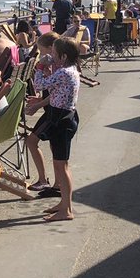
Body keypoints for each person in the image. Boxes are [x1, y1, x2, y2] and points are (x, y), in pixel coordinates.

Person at [26, 36, 81, 221]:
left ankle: (67, 210)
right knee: (61, 165)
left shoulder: (64, 72)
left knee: (61, 166)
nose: (52, 56)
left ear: (63, 56)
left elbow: (39, 85)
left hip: (61, 120)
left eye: (54, 54)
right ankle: (64, 204)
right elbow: (55, 91)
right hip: (64, 117)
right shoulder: (70, 70)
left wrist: (40, 66)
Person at [26, 32, 62, 196]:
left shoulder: (57, 67)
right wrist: (40, 99)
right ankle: (56, 184)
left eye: (42, 51)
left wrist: (38, 105)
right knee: (55, 148)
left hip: (54, 113)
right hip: (53, 110)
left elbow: (54, 93)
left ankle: (45, 181)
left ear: (51, 48)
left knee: (32, 141)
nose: (40, 55)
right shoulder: (57, 65)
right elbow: (53, 92)